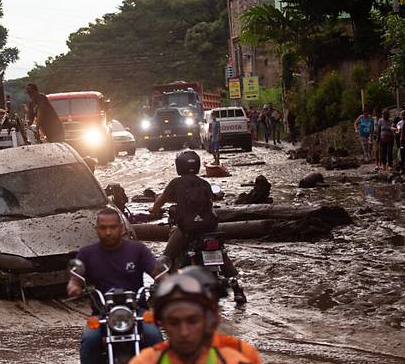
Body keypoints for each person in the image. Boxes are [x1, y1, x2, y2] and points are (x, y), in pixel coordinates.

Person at [67, 208, 165, 364]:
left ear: (121, 227)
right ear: (96, 229)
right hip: (102, 314)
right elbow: (75, 279)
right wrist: (75, 287)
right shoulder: (86, 253)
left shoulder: (138, 250)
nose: (108, 232)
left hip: (137, 312)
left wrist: (168, 284)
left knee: (153, 334)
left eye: (113, 227)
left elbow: (157, 272)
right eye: (103, 228)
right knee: (89, 339)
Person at [150, 150, 246, 304]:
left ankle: (160, 287)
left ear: (178, 166)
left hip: (188, 229)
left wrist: (153, 210)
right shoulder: (205, 183)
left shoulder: (175, 183)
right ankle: (237, 288)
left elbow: (159, 202)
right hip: (210, 228)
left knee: (166, 256)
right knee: (221, 252)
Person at [129, 270, 262, 364]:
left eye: (193, 321)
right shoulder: (146, 360)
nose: (184, 332)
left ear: (211, 320)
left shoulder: (241, 356)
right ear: (162, 324)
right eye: (174, 322)